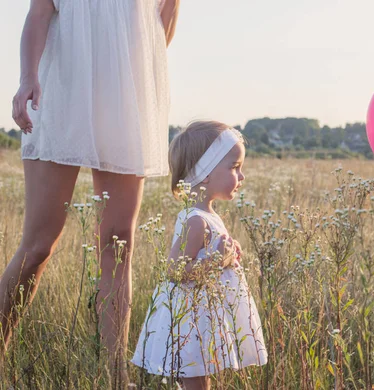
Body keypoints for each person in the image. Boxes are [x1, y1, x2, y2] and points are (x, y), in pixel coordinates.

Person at [4, 0, 180, 384]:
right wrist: (26, 77)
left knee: (119, 243)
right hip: (61, 94)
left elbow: (158, 30)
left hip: (125, 102)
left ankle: (114, 376)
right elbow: (38, 14)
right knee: (38, 246)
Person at [131, 121, 267, 390]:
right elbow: (175, 271)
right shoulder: (195, 221)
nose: (241, 177)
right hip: (191, 317)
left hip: (204, 313)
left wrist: (228, 251)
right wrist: (218, 259)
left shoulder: (208, 215)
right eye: (234, 167)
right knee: (194, 378)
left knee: (200, 376)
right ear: (205, 173)